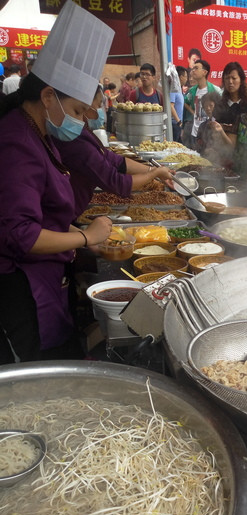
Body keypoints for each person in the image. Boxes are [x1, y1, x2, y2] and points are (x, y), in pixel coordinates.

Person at [0, 1, 114, 363]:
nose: (80, 122)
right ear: (48, 95)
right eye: (78, 111)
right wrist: (84, 236)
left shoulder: (39, 131)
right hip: (21, 286)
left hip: (46, 275)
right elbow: (21, 233)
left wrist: (84, 238)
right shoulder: (16, 141)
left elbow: (44, 211)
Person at [53, 85, 174, 219]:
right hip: (68, 212)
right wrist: (155, 173)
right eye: (99, 105)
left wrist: (153, 170)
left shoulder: (83, 132)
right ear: (84, 106)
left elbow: (115, 160)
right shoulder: (76, 141)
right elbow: (117, 183)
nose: (102, 109)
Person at [183, 59, 220, 149]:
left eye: (196, 68)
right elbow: (185, 102)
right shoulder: (192, 91)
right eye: (193, 68)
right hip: (195, 132)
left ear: (204, 72)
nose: (193, 71)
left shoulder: (215, 90)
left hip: (210, 133)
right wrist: (193, 112)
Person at [214, 61, 247, 128]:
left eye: (234, 78)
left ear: (241, 80)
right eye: (227, 78)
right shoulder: (220, 105)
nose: (230, 82)